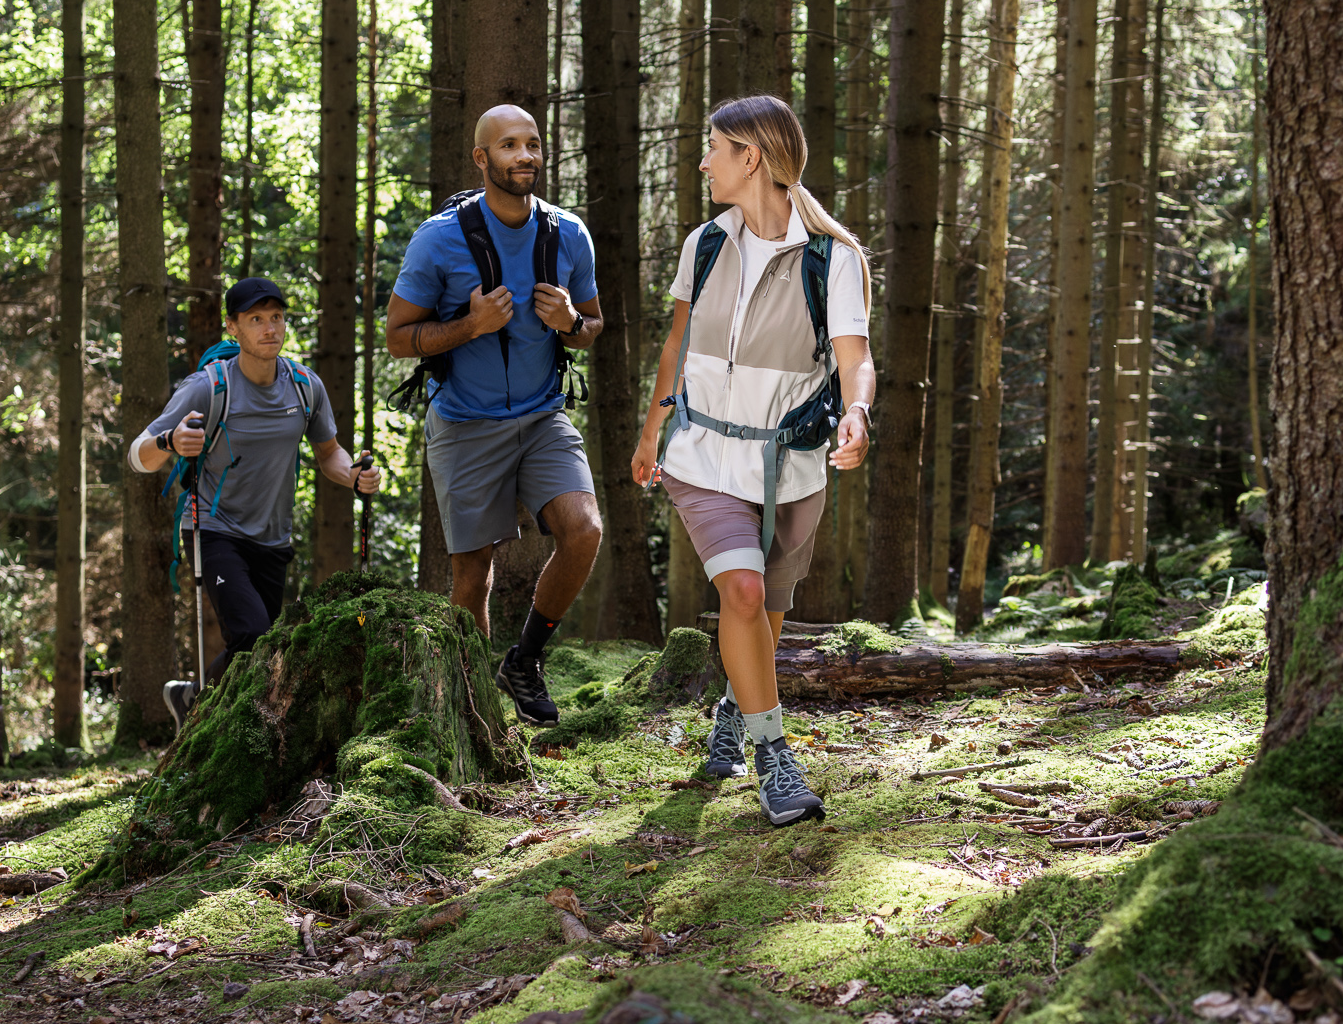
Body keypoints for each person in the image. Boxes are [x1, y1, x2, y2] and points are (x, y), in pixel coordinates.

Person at [631, 95, 876, 826]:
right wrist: (652, 431)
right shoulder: (705, 242)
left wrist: (858, 412)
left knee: (765, 611)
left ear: (753, 157)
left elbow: (855, 360)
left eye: (714, 147)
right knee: (739, 592)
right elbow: (675, 347)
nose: (703, 160)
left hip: (790, 467)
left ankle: (736, 713)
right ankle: (774, 759)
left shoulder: (834, 258)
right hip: (702, 453)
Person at [386, 104, 605, 727]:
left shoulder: (569, 234)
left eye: (532, 143)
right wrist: (470, 325)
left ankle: (525, 659)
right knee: (470, 580)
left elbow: (592, 326)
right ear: (482, 159)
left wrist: (570, 324)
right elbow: (397, 337)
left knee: (584, 530)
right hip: (463, 422)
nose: (525, 155)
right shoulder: (439, 239)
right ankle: (474, 712)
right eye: (509, 145)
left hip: (542, 416)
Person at [128, 277, 381, 710]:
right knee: (252, 634)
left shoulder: (304, 386)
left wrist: (353, 476)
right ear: (233, 327)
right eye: (256, 319)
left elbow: (329, 453)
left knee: (264, 647)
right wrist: (169, 442)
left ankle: (193, 700)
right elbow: (137, 455)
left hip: (272, 538)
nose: (270, 329)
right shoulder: (208, 388)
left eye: (277, 318)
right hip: (213, 528)